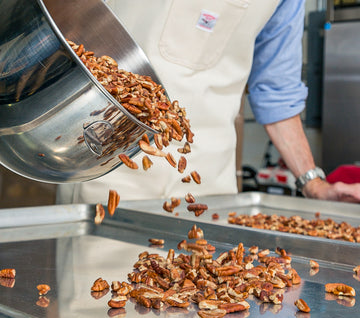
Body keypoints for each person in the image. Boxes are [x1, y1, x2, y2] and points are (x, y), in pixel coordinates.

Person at [57, 0, 360, 204]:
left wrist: (312, 181)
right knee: (100, 298)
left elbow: (276, 89)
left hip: (209, 185)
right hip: (107, 172)